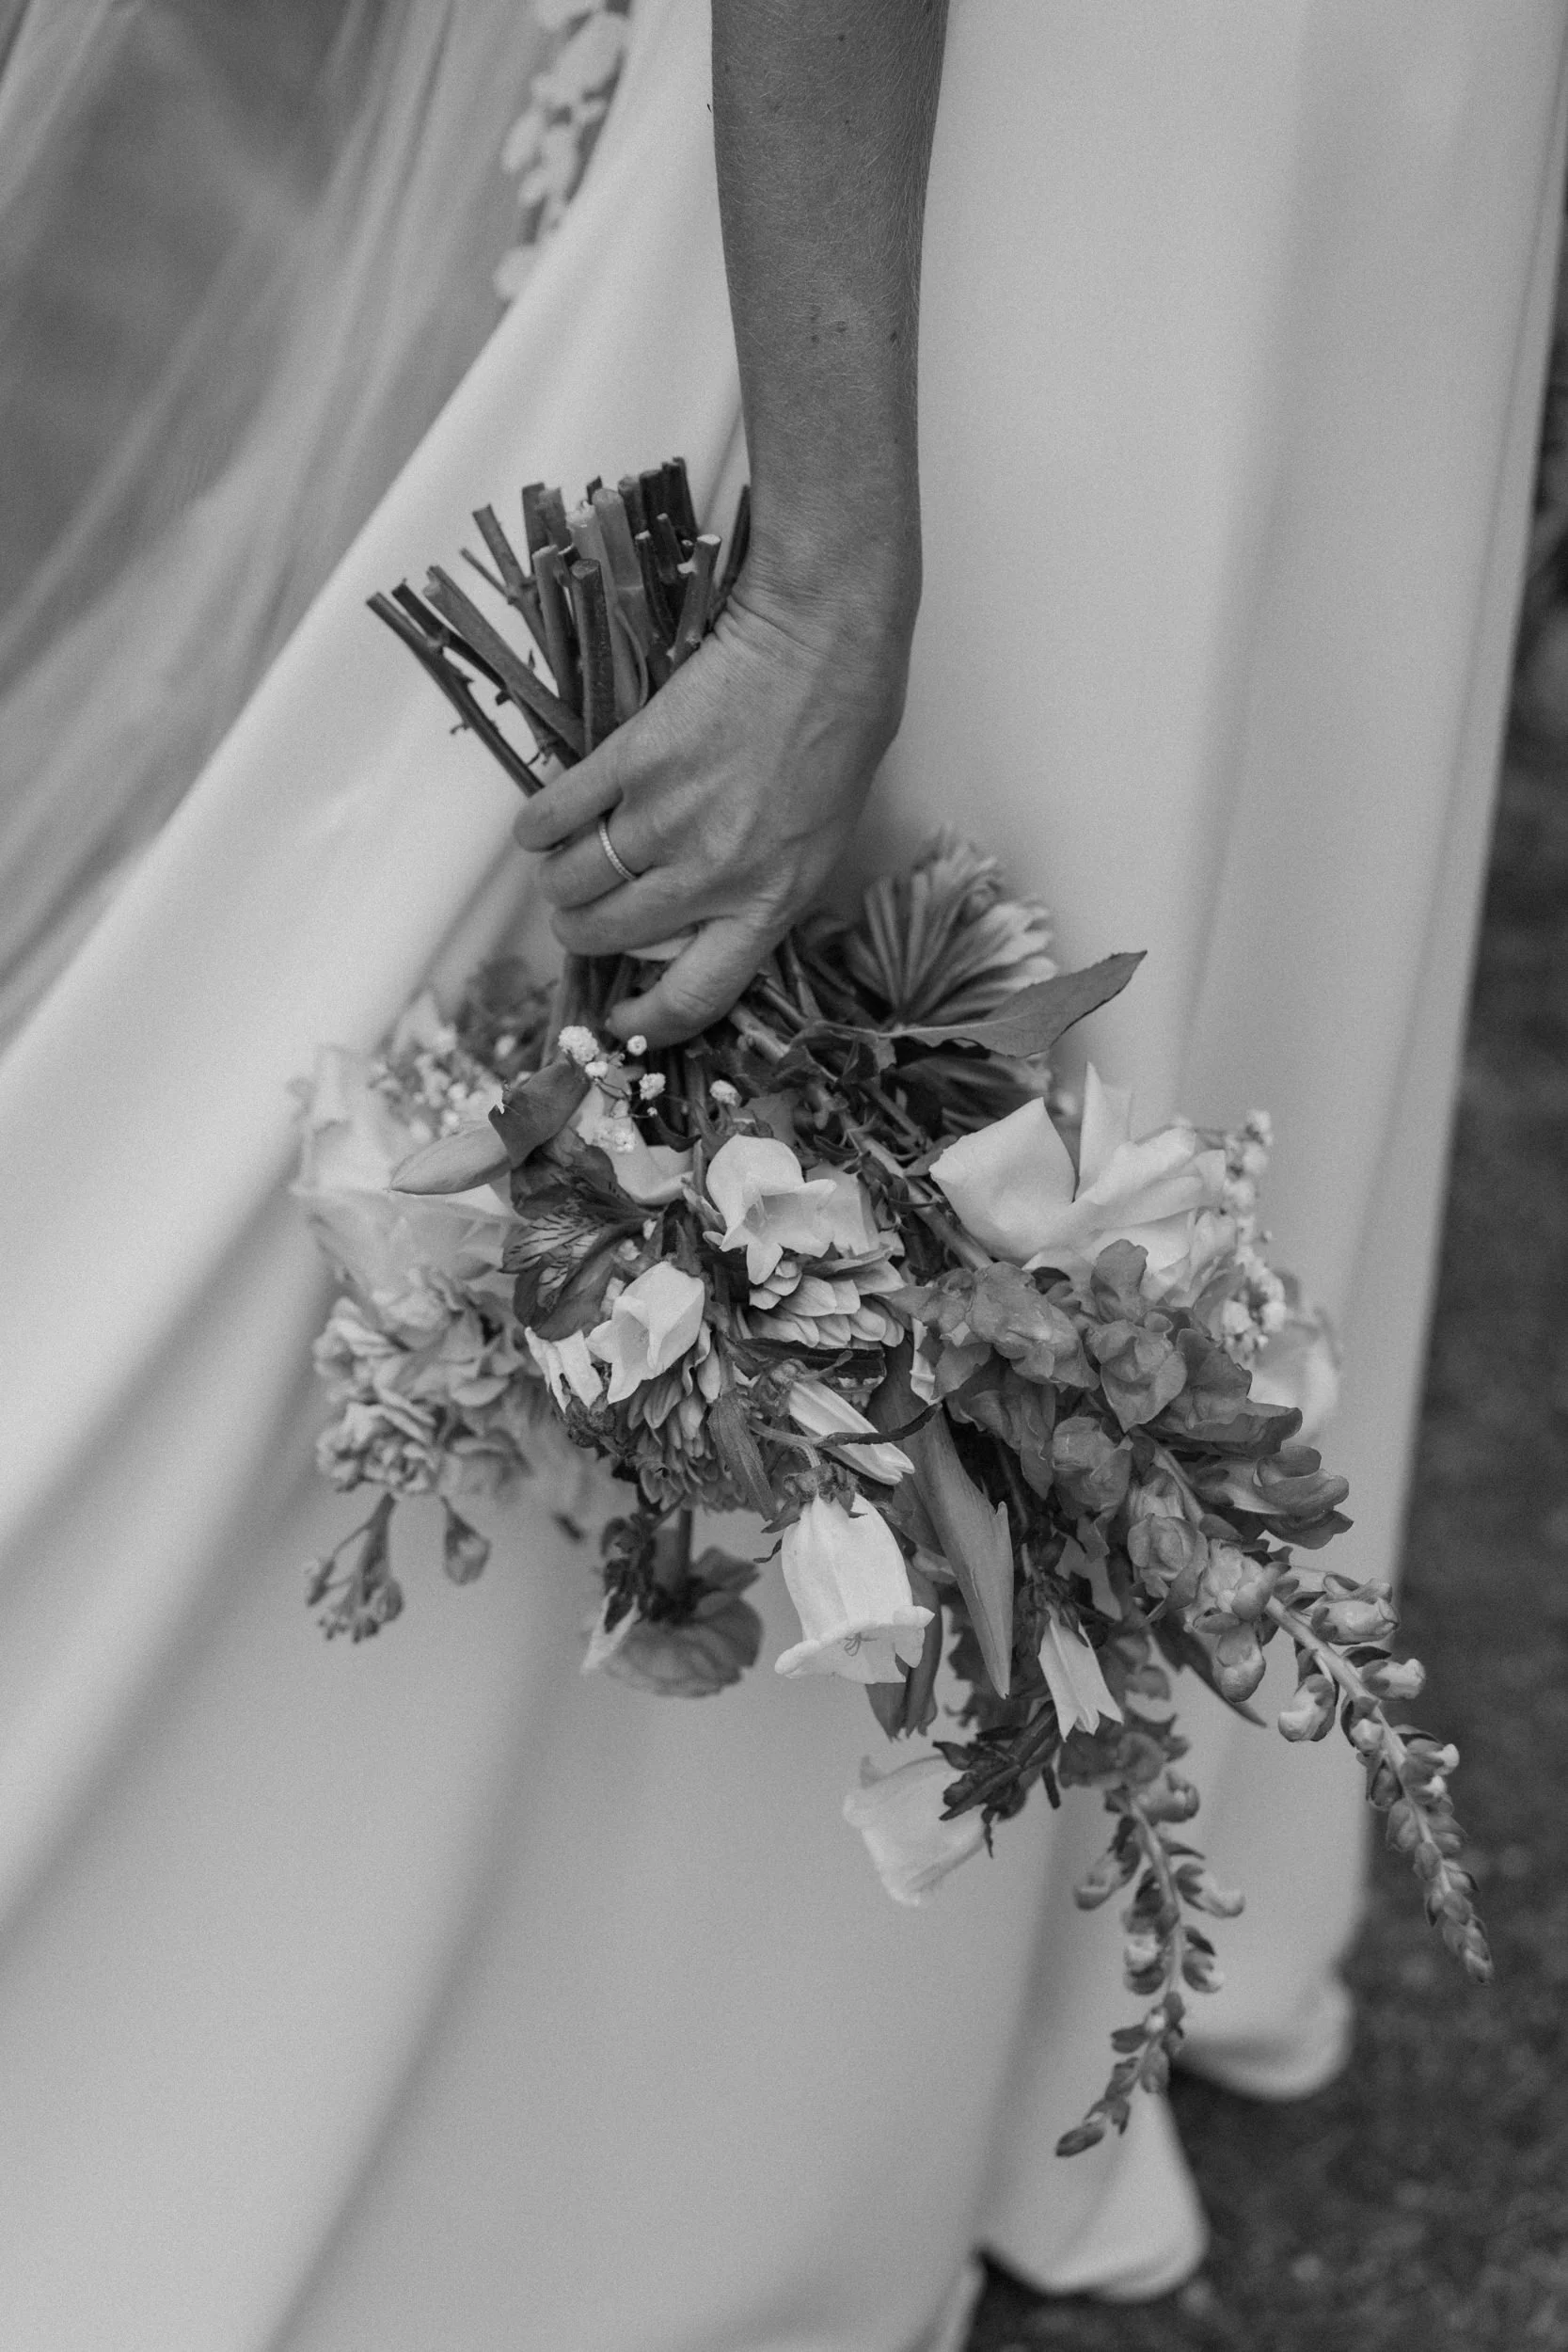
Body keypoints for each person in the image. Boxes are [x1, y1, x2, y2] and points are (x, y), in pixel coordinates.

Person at [0, 3, 1563, 2345]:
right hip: (1028, 150)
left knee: (1227, 866)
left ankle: (1024, 1967)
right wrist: (824, 573)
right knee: (787, 926)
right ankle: (586, 2032)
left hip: (1382, 132)